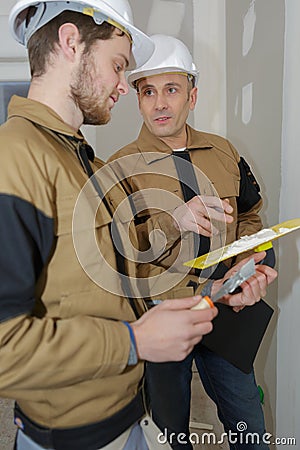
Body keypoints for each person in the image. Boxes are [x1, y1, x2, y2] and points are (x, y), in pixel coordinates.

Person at [0, 4, 223, 450]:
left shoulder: (83, 160)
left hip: (128, 416)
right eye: (118, 65)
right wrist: (135, 340)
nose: (125, 85)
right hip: (71, 438)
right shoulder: (16, 160)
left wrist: (218, 283)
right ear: (70, 43)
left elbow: (119, 255)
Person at [108, 34, 277, 450]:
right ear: (138, 99)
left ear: (193, 96)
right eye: (148, 92)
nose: (160, 103)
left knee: (249, 426)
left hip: (225, 312)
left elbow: (251, 218)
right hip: (162, 317)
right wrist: (173, 222)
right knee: (168, 434)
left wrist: (251, 262)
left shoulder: (224, 153)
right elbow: (115, 250)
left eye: (171, 89)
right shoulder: (118, 169)